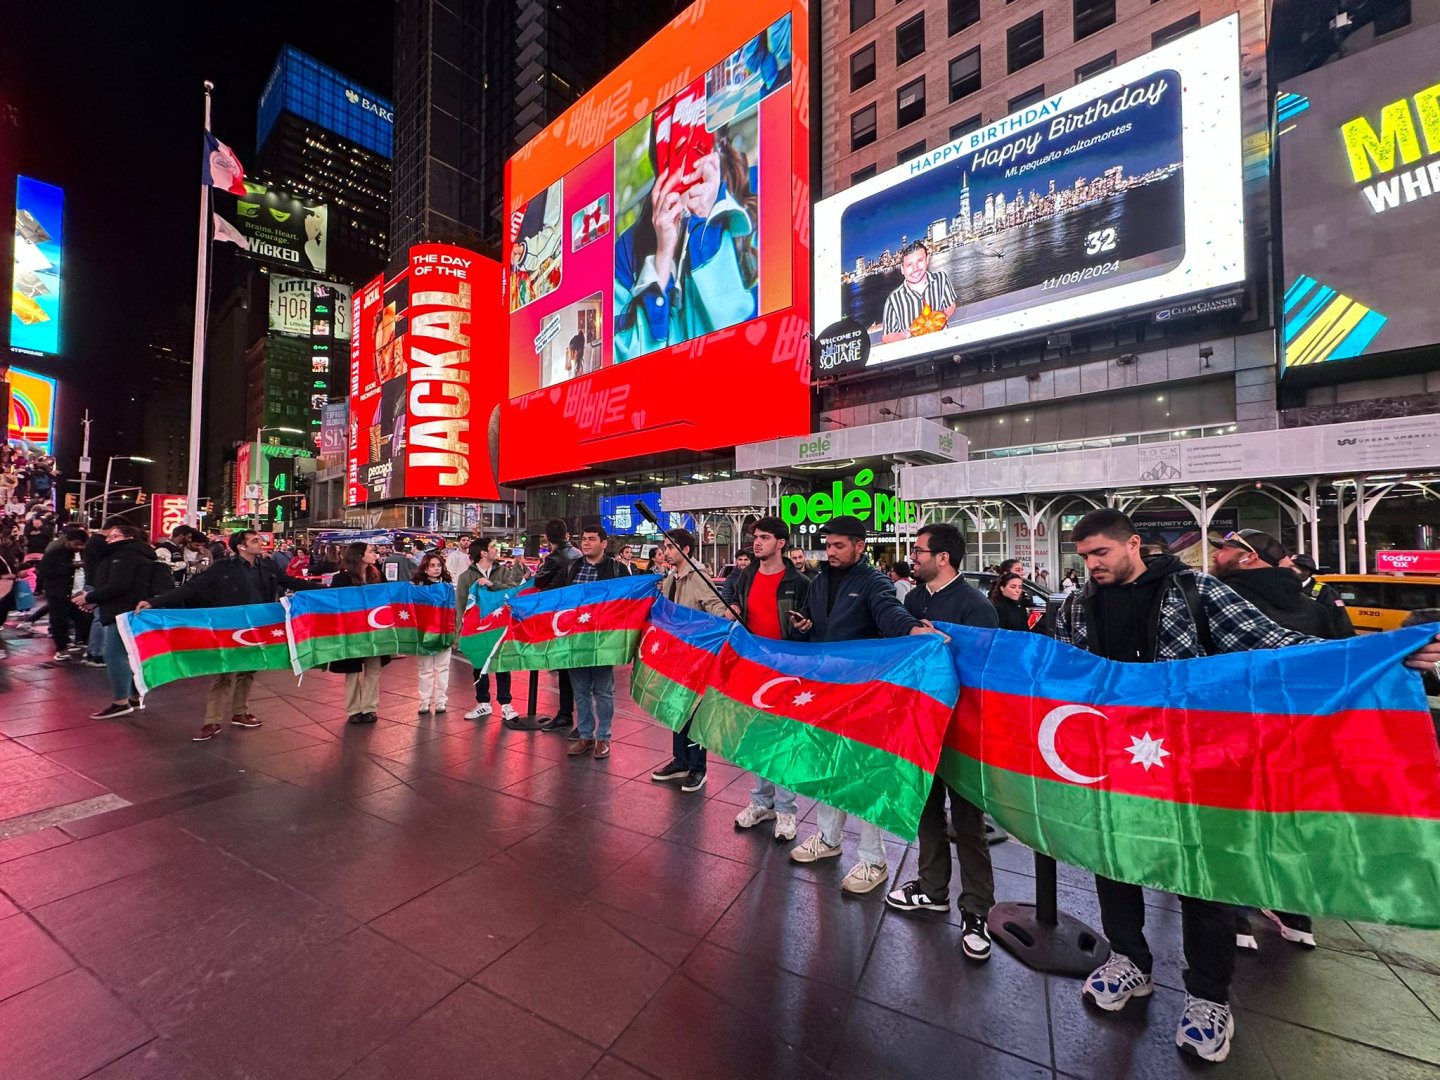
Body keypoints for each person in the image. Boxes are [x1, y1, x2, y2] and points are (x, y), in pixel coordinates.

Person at [1053, 509, 1383, 1063]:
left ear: (1134, 544)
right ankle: (1130, 960)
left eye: (1100, 554)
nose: (1091, 566)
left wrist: (1380, 656)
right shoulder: (1077, 606)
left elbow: (1279, 647)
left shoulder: (1194, 591)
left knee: (1201, 883)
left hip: (1193, 763)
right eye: (1084, 557)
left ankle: (1209, 997)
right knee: (1112, 863)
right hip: (1112, 764)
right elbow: (1051, 668)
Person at [1211, 528, 1357, 954]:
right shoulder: (1314, 605)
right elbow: (1343, 657)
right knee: (1287, 823)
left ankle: (1235, 916)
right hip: (1299, 736)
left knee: (1233, 825)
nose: (1219, 554)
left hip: (1235, 731)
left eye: (1226, 548)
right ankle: (1295, 914)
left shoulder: (1225, 602)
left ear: (1247, 557)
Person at [787, 515, 943, 894]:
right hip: (826, 689)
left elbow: (889, 613)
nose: (831, 551)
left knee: (862, 774)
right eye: (828, 544)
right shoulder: (820, 580)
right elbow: (813, 621)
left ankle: (873, 860)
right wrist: (804, 626)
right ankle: (828, 838)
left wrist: (911, 630)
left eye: (840, 545)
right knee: (827, 767)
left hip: (864, 693)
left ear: (860, 546)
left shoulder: (873, 582)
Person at [885, 522, 999, 961]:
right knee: (927, 811)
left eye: (918, 551)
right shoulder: (913, 600)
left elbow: (986, 669)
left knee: (968, 822)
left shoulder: (976, 606)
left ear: (943, 558)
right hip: (923, 724)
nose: (913, 558)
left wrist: (948, 646)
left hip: (966, 729)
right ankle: (932, 889)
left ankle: (976, 911)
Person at [141, 529, 325, 741]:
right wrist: (155, 602)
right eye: (255, 540)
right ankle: (212, 720)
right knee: (224, 673)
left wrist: (325, 589)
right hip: (230, 627)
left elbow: (291, 582)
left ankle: (241, 712)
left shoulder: (267, 566)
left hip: (259, 625)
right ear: (241, 546)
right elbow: (192, 587)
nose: (260, 542)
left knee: (248, 671)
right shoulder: (223, 567)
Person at [613, 109, 759, 360]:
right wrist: (662, 259)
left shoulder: (760, 189)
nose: (686, 162)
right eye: (671, 149)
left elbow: (742, 331)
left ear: (717, 146)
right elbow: (623, 361)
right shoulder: (627, 248)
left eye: (696, 148)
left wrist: (707, 219)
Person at [726, 517, 810, 838]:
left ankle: (787, 810)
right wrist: (733, 608)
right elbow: (739, 606)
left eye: (763, 538)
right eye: (755, 537)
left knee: (784, 740)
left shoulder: (799, 583)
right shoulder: (746, 576)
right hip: (752, 669)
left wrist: (804, 628)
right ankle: (762, 801)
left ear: (781, 543)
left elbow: (807, 626)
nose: (756, 543)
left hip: (786, 672)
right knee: (757, 738)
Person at [647, 527, 731, 788]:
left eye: (670, 547)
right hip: (675, 656)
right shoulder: (672, 578)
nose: (665, 552)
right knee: (676, 708)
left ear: (685, 550)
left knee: (695, 712)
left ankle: (697, 766)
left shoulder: (698, 578)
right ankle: (680, 760)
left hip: (695, 657)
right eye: (664, 547)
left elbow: (716, 609)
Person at [82, 522, 172, 719]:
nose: (109, 540)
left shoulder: (123, 555)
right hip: (130, 610)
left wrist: (90, 597)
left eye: (114, 536)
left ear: (128, 537)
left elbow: (118, 586)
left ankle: (121, 701)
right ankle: (133, 696)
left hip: (122, 611)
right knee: (128, 655)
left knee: (114, 654)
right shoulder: (137, 554)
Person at [564, 525, 633, 760]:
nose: (585, 543)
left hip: (604, 639)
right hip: (576, 638)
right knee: (581, 690)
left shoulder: (618, 569)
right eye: (583, 539)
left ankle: (603, 736)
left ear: (603, 543)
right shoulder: (573, 567)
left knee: (603, 690)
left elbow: (630, 599)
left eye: (591, 539)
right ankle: (585, 735)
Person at [457, 537, 527, 723]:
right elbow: (461, 605)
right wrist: (459, 633)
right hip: (477, 628)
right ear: (483, 553)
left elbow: (513, 591)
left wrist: (491, 584)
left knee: (502, 664)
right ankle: (483, 703)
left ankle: (505, 704)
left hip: (500, 626)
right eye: (493, 547)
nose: (496, 550)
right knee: (479, 665)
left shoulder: (503, 571)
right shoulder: (466, 577)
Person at [329, 542, 389, 725]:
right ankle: (354, 709)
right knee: (352, 671)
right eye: (370, 551)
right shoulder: (341, 579)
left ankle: (370, 708)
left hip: (374, 630)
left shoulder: (377, 575)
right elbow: (335, 603)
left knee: (373, 669)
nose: (374, 554)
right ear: (359, 555)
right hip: (351, 631)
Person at [535, 518, 582, 733]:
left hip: (557, 616)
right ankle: (569, 714)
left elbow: (539, 582)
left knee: (564, 668)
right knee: (571, 669)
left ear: (547, 537)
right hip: (576, 615)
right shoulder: (577, 554)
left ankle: (565, 714)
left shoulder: (554, 558)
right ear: (567, 535)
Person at [880, 241, 957, 344]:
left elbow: (950, 305)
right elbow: (887, 337)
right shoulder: (893, 299)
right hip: (915, 353)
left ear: (927, 260)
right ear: (902, 269)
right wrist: (909, 333)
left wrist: (940, 320)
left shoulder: (941, 279)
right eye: (909, 265)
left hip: (943, 344)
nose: (915, 268)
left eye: (919, 261)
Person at [36, 526, 91, 662]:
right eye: (76, 544)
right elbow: (44, 572)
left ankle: (82, 642)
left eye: (81, 544)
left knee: (84, 619)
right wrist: (71, 566)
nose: (79, 547)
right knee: (59, 622)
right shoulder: (55, 553)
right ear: (68, 541)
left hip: (79, 593)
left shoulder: (85, 553)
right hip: (59, 593)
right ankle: (61, 647)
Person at [412, 552, 453, 715]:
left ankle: (441, 700)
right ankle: (424, 701)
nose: (436, 569)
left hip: (445, 631)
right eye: (432, 566)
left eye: (439, 565)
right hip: (424, 633)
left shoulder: (449, 585)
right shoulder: (417, 587)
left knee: (443, 668)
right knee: (425, 669)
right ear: (425, 568)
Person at [1289, 553, 1355, 638]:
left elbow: (1340, 621)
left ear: (1308, 571)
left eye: (1298, 568)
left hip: (1316, 642)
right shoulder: (1282, 589)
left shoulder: (1325, 592)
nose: (1293, 572)